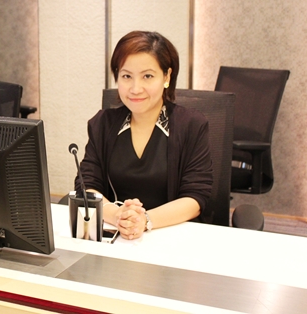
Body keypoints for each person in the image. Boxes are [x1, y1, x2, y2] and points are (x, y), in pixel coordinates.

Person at [76, 31, 213, 240]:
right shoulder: (103, 124)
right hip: (117, 237)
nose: (135, 88)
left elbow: (196, 197)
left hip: (173, 237)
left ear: (167, 76)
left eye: (147, 76)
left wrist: (145, 220)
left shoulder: (191, 125)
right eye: (126, 76)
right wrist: (117, 215)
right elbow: (86, 185)